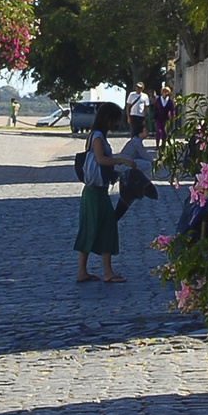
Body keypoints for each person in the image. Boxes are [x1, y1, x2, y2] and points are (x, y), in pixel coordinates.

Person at [74, 101, 127, 283]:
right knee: (106, 226)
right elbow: (100, 159)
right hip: (96, 192)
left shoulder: (94, 135)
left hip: (94, 191)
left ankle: (84, 271)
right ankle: (107, 271)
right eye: (116, 120)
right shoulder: (97, 137)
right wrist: (121, 161)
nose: (118, 124)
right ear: (107, 119)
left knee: (92, 227)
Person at [152, 85, 175, 150]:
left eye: (167, 91)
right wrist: (153, 117)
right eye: (164, 91)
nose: (166, 93)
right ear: (162, 92)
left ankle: (163, 146)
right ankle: (157, 145)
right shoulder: (158, 100)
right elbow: (155, 109)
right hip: (158, 118)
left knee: (164, 133)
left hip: (166, 119)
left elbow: (172, 109)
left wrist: (173, 116)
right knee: (158, 131)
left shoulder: (170, 101)